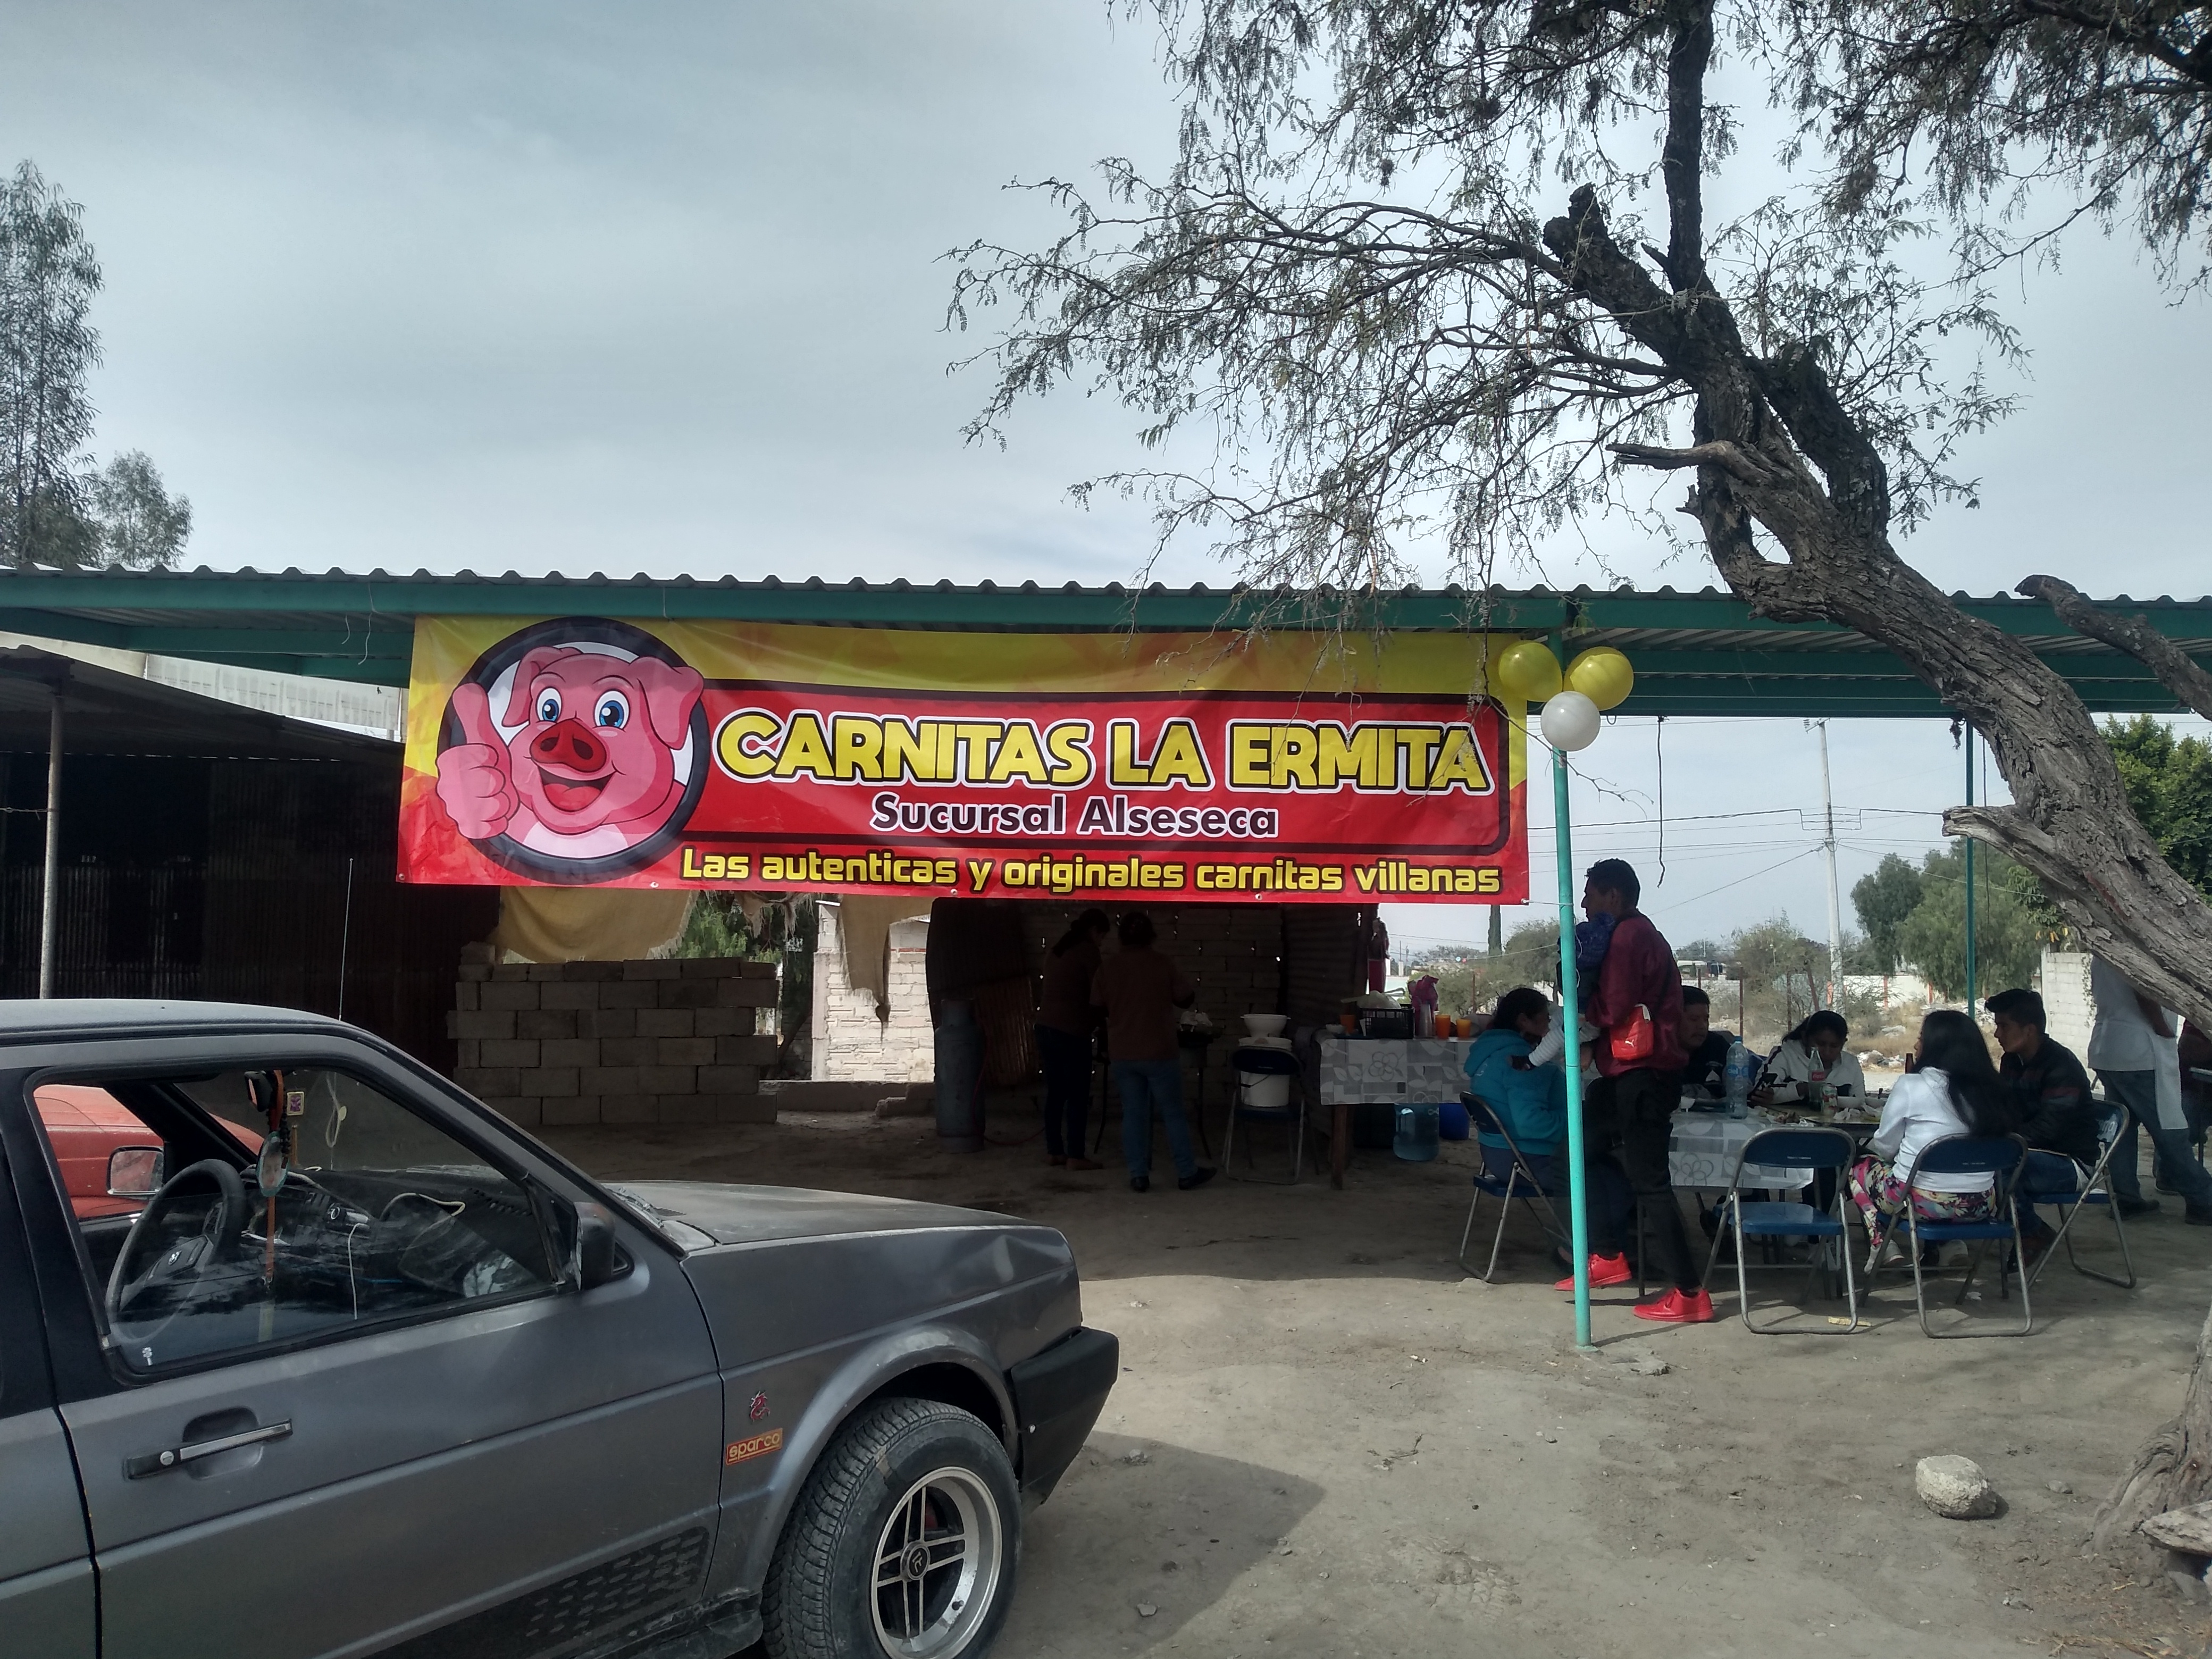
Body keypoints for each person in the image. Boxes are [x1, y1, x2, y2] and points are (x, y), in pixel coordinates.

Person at [1577, 858, 1708, 1323]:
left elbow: (1612, 1007)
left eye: (1590, 893)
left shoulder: (1628, 936)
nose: (1584, 903)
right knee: (1577, 1150)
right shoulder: (1642, 933)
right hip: (1628, 1073)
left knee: (1651, 1182)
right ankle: (1608, 1254)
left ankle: (1690, 1292)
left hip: (1644, 1072)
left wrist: (1578, 1002)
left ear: (1613, 896)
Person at [1464, 987, 1636, 1287]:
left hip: (1498, 1153)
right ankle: (1579, 1253)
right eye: (1545, 1018)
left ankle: (1599, 1249)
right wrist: (1580, 1126)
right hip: (1529, 1156)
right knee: (1612, 1176)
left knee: (1601, 1165)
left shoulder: (1488, 1052)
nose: (1550, 1026)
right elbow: (1532, 1123)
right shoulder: (1520, 1061)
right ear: (1524, 1021)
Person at [1848, 1009, 2018, 1254]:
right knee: (1931, 1175)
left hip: (1920, 1204)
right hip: (1980, 1205)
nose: (1917, 1045)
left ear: (1936, 1046)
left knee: (1857, 1166)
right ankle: (1951, 1247)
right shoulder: (1994, 1090)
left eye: (1921, 1038)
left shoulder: (1912, 1085)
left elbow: (1885, 1146)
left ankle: (1882, 1246)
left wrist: (1876, 1156)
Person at [1092, 910, 1216, 1194]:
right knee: (1172, 1112)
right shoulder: (1162, 964)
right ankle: (1186, 1172)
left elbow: (1097, 1007)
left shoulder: (1108, 967)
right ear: (1151, 937)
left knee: (1133, 1114)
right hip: (1160, 1051)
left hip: (1123, 1052)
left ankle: (1138, 1175)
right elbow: (1186, 998)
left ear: (1121, 937)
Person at [2088, 954, 2212, 1225]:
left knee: (2122, 1131)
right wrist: (2162, 1027)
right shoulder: (2137, 950)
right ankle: (2204, 1200)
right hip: (2141, 1050)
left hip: (2110, 1047)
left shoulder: (2103, 952)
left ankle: (2126, 1198)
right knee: (2169, 1131)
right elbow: (2143, 990)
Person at [1986, 987, 2102, 1251]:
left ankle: (2031, 1233)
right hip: (2030, 1154)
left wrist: (2002, 1142)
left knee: (1998, 1166)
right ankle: (2031, 1231)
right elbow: (2005, 1110)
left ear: (2029, 1030)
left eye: (2003, 1026)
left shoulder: (2062, 1066)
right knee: (1977, 1160)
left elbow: (2048, 1129)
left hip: (2070, 1163)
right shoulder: (2011, 1061)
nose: (1997, 1034)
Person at [1036, 909, 1110, 1171]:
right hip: (1071, 1031)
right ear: (1094, 931)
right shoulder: (1088, 951)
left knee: (1056, 1092)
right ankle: (1076, 1155)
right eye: (1102, 935)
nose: (1102, 941)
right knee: (1078, 1094)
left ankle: (1054, 1151)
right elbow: (1100, 995)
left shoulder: (1057, 950)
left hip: (1045, 1028)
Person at [1754, 1011, 1867, 1108]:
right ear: (1805, 1038)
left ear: (1844, 1043)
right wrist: (1804, 1089)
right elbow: (1758, 1092)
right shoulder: (1785, 1055)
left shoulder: (1851, 1064)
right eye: (1820, 1044)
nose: (1827, 1052)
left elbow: (1860, 1102)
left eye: (1835, 1046)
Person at [1677, 986, 1737, 1102]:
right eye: (1694, 1019)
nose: (1702, 1026)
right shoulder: (1661, 1052)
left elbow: (1738, 1090)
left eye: (1706, 1019)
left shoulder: (1718, 1046)